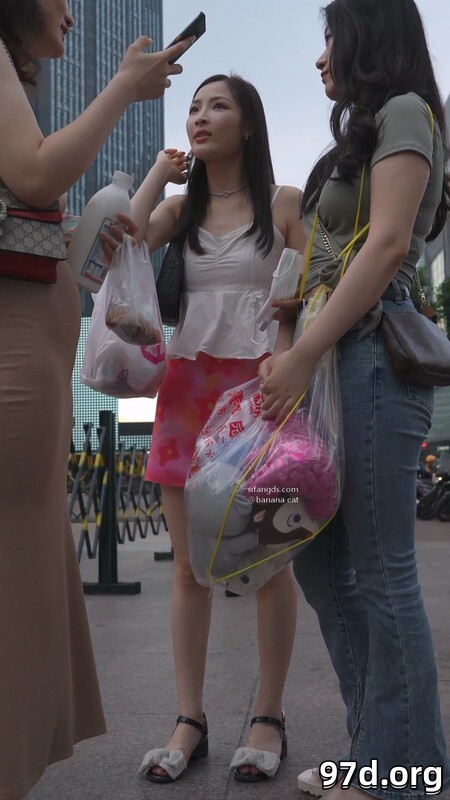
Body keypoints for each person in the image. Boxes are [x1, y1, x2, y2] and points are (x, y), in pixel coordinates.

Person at [0, 2, 191, 798]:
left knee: (26, 569)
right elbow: (34, 173)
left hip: (31, 347)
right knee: (16, 578)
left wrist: (82, 229)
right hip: (17, 357)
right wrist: (122, 88)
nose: (72, 12)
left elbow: (25, 205)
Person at [259, 1, 450, 798]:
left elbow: (392, 242)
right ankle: (378, 748)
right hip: (334, 366)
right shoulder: (361, 136)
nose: (321, 57)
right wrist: (294, 337)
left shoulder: (407, 110)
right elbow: (328, 255)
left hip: (371, 357)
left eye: (331, 38)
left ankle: (401, 772)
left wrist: (304, 353)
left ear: (368, 35)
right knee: (321, 563)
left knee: (381, 571)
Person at [129, 74, 306, 784]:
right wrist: (156, 175)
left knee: (269, 562)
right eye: (194, 107)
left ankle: (269, 715)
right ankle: (190, 719)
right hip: (187, 392)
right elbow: (123, 244)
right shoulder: (180, 210)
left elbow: (303, 296)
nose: (200, 116)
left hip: (261, 393)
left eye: (218, 106)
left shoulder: (284, 203)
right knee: (189, 566)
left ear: (249, 124)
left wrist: (286, 367)